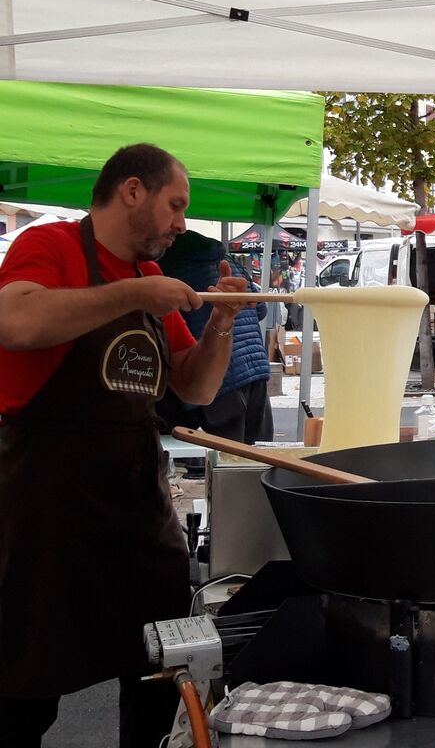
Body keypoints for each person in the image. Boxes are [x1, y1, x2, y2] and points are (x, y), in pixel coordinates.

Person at [0, 143, 248, 748]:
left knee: (157, 674)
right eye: (175, 205)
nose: (181, 223)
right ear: (132, 191)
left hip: (137, 509)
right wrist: (135, 296)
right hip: (47, 508)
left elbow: (194, 384)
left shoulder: (150, 281)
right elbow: (17, 321)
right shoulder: (51, 244)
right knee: (24, 692)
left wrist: (220, 324)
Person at [157, 230, 274, 445]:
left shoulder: (165, 269)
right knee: (260, 457)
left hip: (219, 374)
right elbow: (259, 310)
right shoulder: (228, 262)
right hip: (255, 367)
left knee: (224, 459)